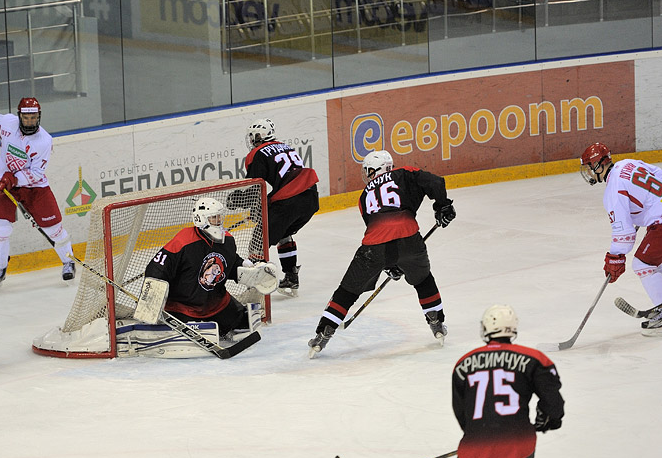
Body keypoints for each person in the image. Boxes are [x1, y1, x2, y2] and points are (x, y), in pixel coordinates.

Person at [404, 305, 565, 458]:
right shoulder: (535, 359)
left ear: (486, 329)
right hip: (519, 441)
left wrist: (476, 435)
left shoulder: (464, 363)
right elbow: (553, 402)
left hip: (477, 443)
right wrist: (549, 420)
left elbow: (462, 411)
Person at [307, 150, 455, 356]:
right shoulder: (404, 172)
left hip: (373, 248)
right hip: (409, 239)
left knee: (347, 291)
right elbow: (436, 182)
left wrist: (389, 263)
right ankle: (436, 322)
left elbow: (378, 233)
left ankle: (323, 333)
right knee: (423, 280)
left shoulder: (364, 195)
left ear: (373, 170)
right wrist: (443, 206)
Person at [0, 97, 75, 287]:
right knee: (0, 229)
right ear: (19, 116)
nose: (30, 122)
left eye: (33, 118)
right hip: (4, 185)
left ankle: (68, 262)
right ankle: (0, 269)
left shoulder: (44, 141)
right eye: (26, 118)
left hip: (34, 187)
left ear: (39, 117)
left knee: (54, 229)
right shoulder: (7, 122)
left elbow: (37, 173)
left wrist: (13, 179)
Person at [143, 197, 277, 339]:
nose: (218, 221)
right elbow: (157, 269)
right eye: (214, 217)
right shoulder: (183, 241)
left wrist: (246, 269)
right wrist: (151, 300)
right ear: (200, 219)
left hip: (216, 304)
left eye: (220, 217)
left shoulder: (228, 240)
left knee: (245, 323)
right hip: (183, 307)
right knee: (181, 334)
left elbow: (229, 265)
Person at [580, 142, 662, 336]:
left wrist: (614, 257)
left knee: (643, 264)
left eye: (590, 168)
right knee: (657, 261)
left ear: (598, 166)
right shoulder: (628, 163)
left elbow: (624, 236)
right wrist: (647, 204)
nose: (589, 173)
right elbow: (657, 174)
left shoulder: (613, 190)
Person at [241, 118, 320, 296]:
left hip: (289, 201)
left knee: (258, 242)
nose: (252, 140)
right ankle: (291, 278)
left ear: (258, 136)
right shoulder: (286, 147)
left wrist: (234, 201)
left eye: (253, 136)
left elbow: (255, 187)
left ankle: (255, 288)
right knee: (284, 233)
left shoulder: (257, 153)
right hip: (310, 198)